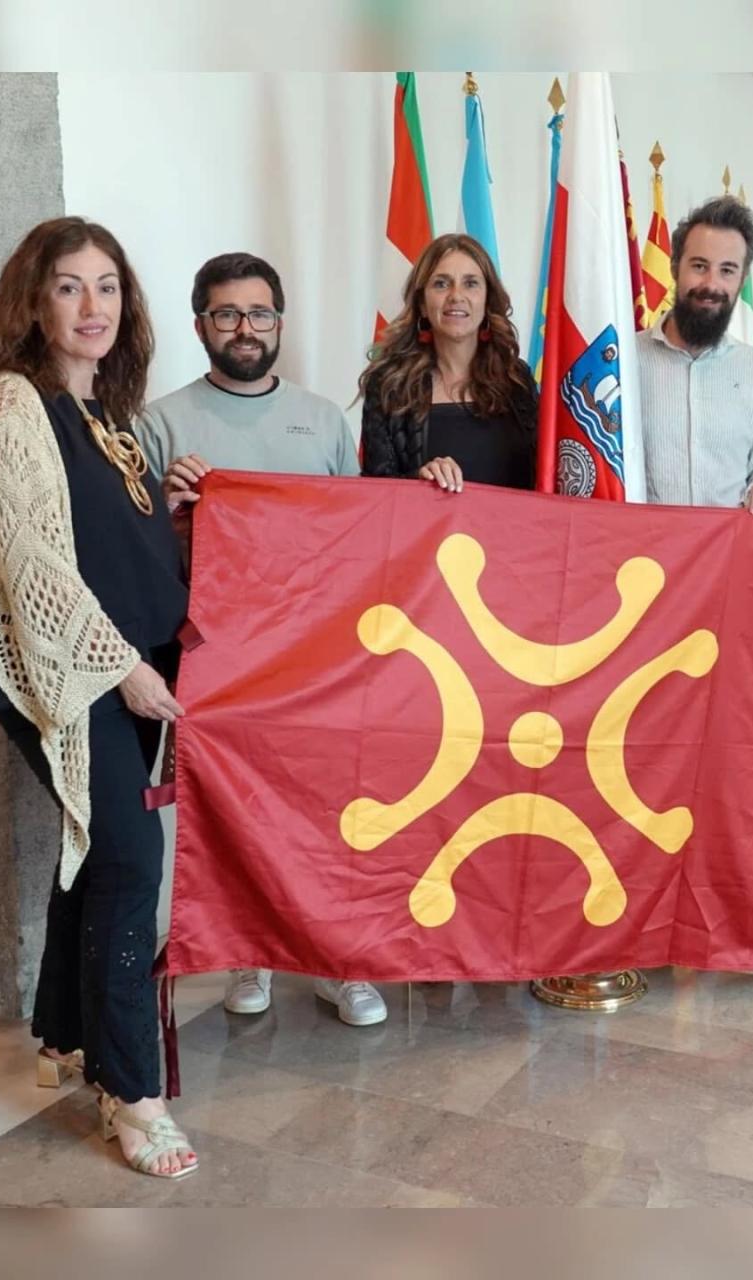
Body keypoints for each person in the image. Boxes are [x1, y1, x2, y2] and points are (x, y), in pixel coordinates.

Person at [0, 217, 195, 1179]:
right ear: (33, 301)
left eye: (108, 286)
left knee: (95, 849)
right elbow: (33, 567)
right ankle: (132, 1092)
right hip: (61, 668)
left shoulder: (109, 417)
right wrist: (124, 669)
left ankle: (61, 1032)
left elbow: (106, 541)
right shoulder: (10, 404)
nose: (93, 306)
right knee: (130, 858)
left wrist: (170, 510)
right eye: (68, 287)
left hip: (124, 665)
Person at [133, 252, 378, 1029]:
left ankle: (341, 962)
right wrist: (168, 508)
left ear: (280, 321)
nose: (245, 327)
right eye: (228, 313)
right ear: (200, 323)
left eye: (260, 312)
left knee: (329, 808)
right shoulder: (159, 424)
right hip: (217, 658)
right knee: (236, 809)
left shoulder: (324, 419)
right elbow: (131, 551)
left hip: (316, 655)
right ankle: (250, 954)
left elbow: (361, 539)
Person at [635, 195, 753, 515]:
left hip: (728, 546)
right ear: (675, 267)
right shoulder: (624, 360)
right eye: (699, 266)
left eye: (727, 270)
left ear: (742, 280)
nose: (711, 284)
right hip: (641, 545)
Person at [359, 232, 537, 493]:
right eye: (441, 284)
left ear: (487, 300)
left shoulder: (517, 381)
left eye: (471, 283)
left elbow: (543, 479)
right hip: (421, 521)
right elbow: (375, 493)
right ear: (422, 303)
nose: (456, 295)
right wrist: (418, 481)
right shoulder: (389, 386)